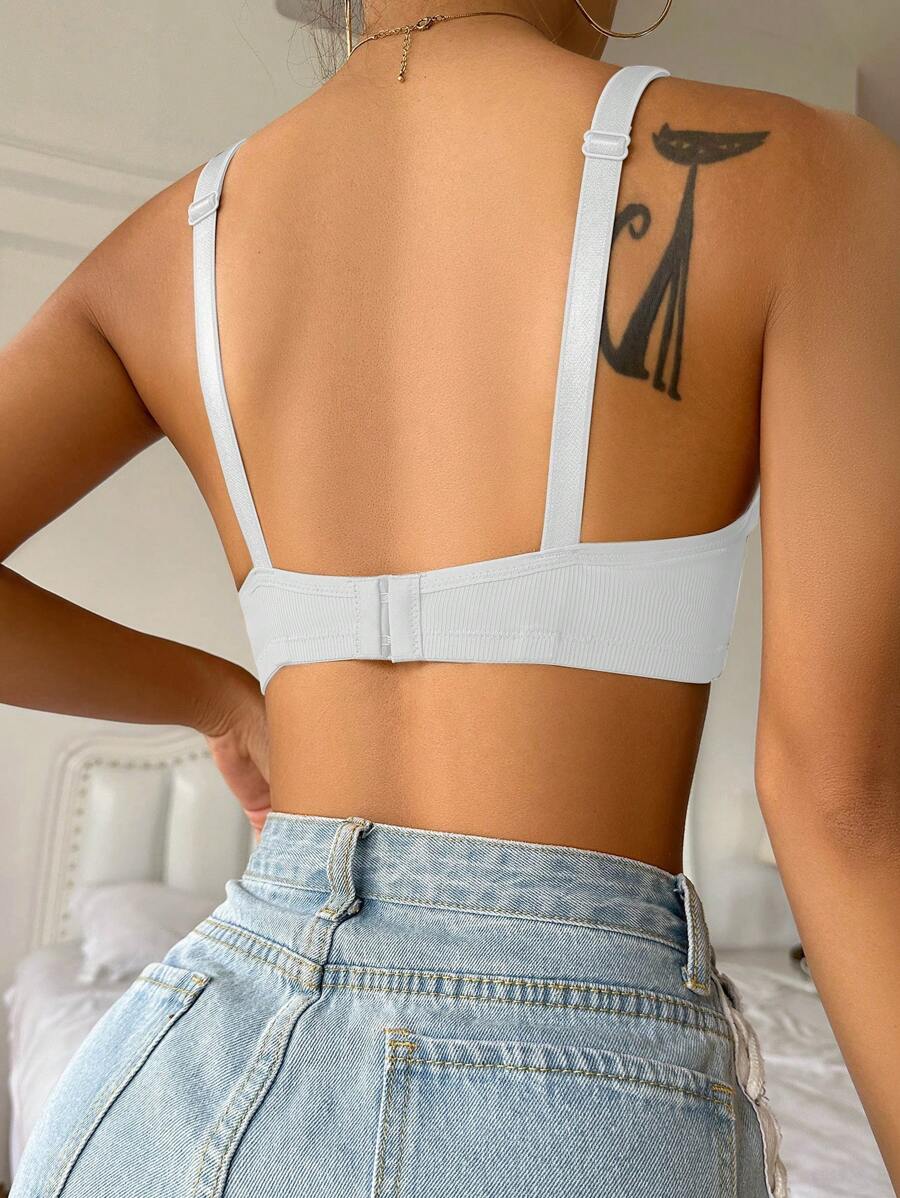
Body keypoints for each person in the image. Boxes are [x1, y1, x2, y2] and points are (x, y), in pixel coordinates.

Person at [3, 0, 898, 1193]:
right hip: (566, 1094)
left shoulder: (170, 247)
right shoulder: (812, 177)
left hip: (175, 1080)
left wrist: (219, 697)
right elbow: (842, 805)